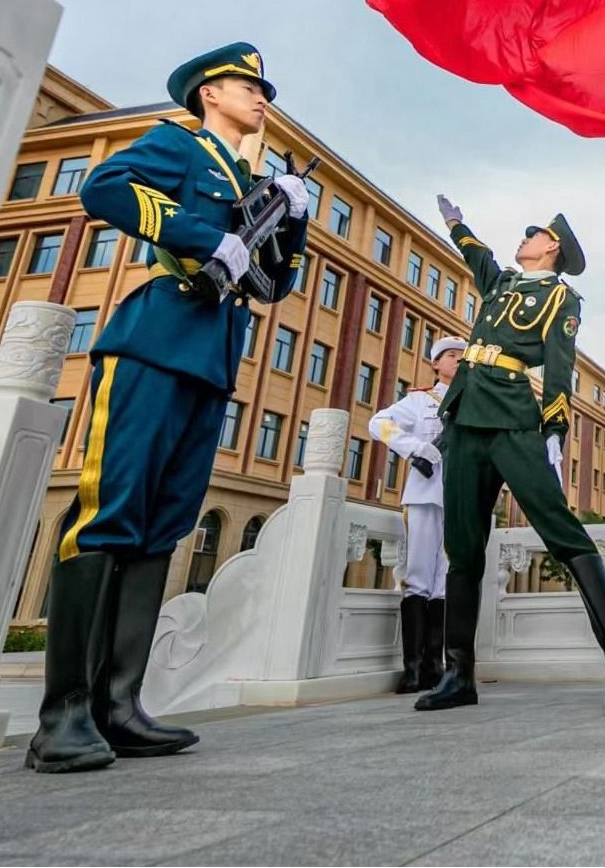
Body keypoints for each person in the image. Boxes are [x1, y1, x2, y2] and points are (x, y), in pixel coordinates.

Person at [28, 43, 308, 773]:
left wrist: (291, 222)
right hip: (156, 337)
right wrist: (200, 232)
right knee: (111, 512)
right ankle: (62, 718)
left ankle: (118, 707)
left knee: (162, 528)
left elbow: (273, 286)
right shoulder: (179, 144)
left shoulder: (249, 179)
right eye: (250, 87)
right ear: (210, 93)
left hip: (211, 357)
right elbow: (105, 188)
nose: (261, 99)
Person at [416, 203, 605, 711]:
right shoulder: (503, 285)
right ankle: (459, 674)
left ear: (552, 247)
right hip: (467, 415)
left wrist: (555, 426)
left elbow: (560, 365)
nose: (525, 238)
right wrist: (457, 226)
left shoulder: (562, 297)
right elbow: (479, 259)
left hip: (514, 419)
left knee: (561, 531)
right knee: (463, 549)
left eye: (534, 234)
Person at [369, 336, 468, 693]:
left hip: (459, 500)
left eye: (463, 356)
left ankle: (435, 664)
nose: (459, 360)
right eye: (452, 356)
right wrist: (416, 449)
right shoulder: (419, 401)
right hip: (425, 497)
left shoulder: (475, 402)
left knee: (445, 582)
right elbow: (378, 423)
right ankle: (411, 667)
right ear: (436, 364)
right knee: (418, 578)